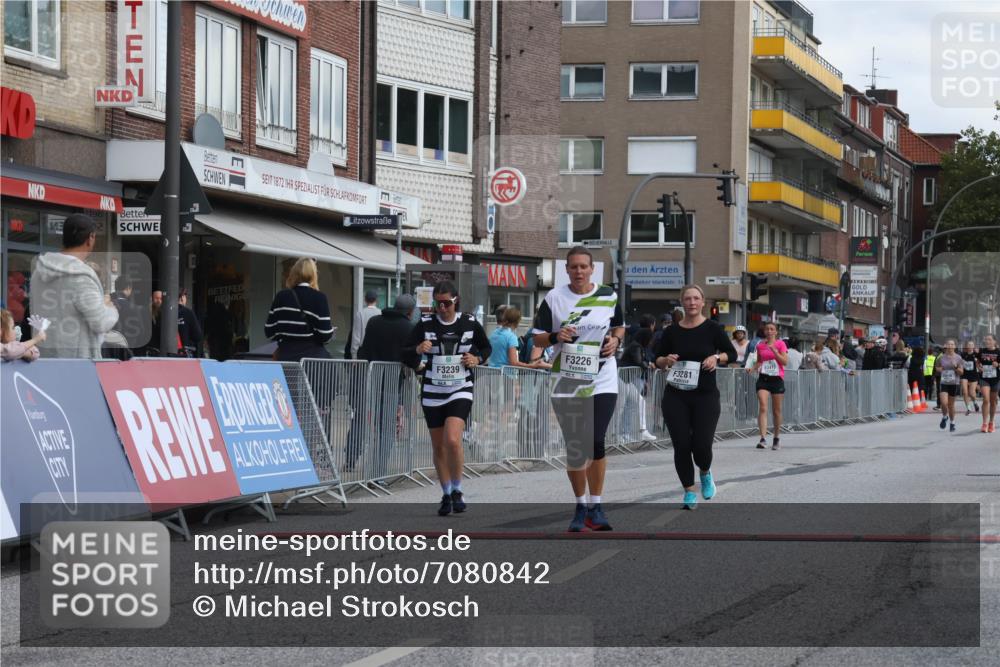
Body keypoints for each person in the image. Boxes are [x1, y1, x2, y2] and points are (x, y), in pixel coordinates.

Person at [532, 247, 624, 530]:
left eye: (584, 266)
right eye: (573, 267)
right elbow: (537, 340)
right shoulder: (554, 298)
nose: (579, 271)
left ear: (592, 268)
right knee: (575, 446)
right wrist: (556, 335)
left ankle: (596, 505)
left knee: (595, 439)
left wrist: (615, 342)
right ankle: (580, 505)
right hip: (568, 380)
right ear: (567, 269)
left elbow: (619, 327)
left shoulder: (608, 295)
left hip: (602, 378)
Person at [405, 281, 491, 516]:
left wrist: (476, 359)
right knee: (439, 446)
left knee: (452, 439)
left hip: (460, 387)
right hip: (432, 390)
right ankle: (445, 493)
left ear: (456, 301)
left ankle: (458, 490)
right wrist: (417, 350)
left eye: (446, 303)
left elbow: (486, 348)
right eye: (438, 303)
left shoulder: (469, 322)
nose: (442, 308)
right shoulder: (425, 324)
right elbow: (404, 350)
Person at [654, 285, 737, 510]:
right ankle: (689, 491)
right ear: (682, 302)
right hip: (676, 396)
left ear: (703, 302)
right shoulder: (671, 332)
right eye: (687, 299)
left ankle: (705, 472)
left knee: (701, 445)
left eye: (696, 299)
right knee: (681, 445)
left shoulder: (713, 328)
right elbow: (656, 358)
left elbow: (733, 353)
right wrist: (665, 361)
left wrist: (717, 357)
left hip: (705, 396)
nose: (691, 302)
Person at [29, 213, 118, 359]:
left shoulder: (38, 273)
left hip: (43, 361)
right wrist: (109, 308)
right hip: (78, 366)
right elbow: (101, 322)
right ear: (91, 238)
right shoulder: (81, 277)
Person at [358, 294, 418, 480]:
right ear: (410, 311)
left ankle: (371, 470)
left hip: (371, 380)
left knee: (372, 427)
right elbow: (411, 357)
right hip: (392, 383)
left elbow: (363, 350)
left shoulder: (374, 322)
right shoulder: (408, 327)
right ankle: (379, 473)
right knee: (387, 430)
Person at [264, 257, 335, 362]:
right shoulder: (319, 298)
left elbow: (269, 331)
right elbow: (325, 335)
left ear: (293, 274)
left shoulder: (281, 296)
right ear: (314, 275)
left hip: (286, 358)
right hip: (311, 362)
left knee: (288, 379)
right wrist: (331, 331)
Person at [748, 322, 789, 450]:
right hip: (763, 379)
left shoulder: (780, 344)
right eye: (767, 329)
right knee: (763, 407)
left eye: (772, 329)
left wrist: (775, 352)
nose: (769, 331)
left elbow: (785, 362)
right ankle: (763, 439)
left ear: (776, 332)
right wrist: (752, 368)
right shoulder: (760, 345)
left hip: (777, 379)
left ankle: (776, 438)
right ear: (764, 332)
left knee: (776, 411)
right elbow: (760, 361)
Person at [619, 327, 658, 443]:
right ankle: (619, 434)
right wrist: (648, 364)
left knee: (639, 402)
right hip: (622, 379)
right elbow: (638, 361)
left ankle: (641, 431)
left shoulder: (636, 345)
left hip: (625, 379)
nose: (651, 341)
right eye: (650, 339)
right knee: (621, 408)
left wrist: (648, 363)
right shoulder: (636, 346)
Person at [935, 339, 964, 432]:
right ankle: (944, 417)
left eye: (952, 344)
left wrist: (955, 367)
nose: (950, 346)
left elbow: (961, 372)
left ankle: (952, 422)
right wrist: (940, 369)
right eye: (949, 344)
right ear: (945, 346)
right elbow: (937, 368)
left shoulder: (958, 358)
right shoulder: (941, 357)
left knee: (951, 405)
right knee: (944, 403)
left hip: (954, 383)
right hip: (944, 382)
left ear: (955, 346)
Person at [976, 334, 999, 433]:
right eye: (986, 339)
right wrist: (979, 367)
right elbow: (977, 361)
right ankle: (984, 423)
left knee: (993, 401)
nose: (987, 341)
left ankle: (991, 422)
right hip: (984, 378)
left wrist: (998, 364)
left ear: (994, 341)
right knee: (986, 399)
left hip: (995, 378)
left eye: (989, 340)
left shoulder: (998, 352)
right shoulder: (982, 351)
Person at [351, 290, 382, 359]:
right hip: (378, 352)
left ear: (365, 300)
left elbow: (356, 336)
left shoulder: (360, 314)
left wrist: (354, 355)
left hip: (363, 352)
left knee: (362, 370)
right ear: (376, 300)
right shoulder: (381, 313)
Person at [177, 288, 203, 357]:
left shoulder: (165, 313)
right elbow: (198, 336)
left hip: (166, 355)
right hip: (184, 354)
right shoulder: (188, 312)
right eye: (185, 296)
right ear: (182, 297)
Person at [959, 340, 980, 416]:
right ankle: (968, 408)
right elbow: (959, 362)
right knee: (965, 391)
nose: (970, 346)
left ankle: (975, 403)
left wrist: (980, 367)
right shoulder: (962, 355)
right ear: (966, 346)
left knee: (972, 393)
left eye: (972, 345)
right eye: (969, 345)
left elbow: (980, 363)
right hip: (964, 375)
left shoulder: (976, 355)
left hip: (974, 375)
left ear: (973, 346)